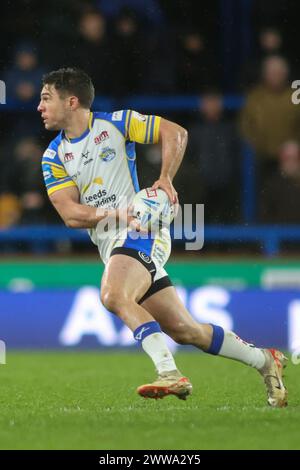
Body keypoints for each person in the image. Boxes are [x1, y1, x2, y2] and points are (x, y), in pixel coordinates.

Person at [39, 67, 287, 407]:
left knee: (113, 295)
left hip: (142, 230)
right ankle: (265, 360)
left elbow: (175, 132)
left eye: (46, 98)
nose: (40, 106)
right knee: (186, 331)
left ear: (72, 101)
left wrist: (166, 179)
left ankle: (169, 373)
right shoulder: (53, 157)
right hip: (113, 243)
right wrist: (114, 214)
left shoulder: (116, 124)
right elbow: (70, 214)